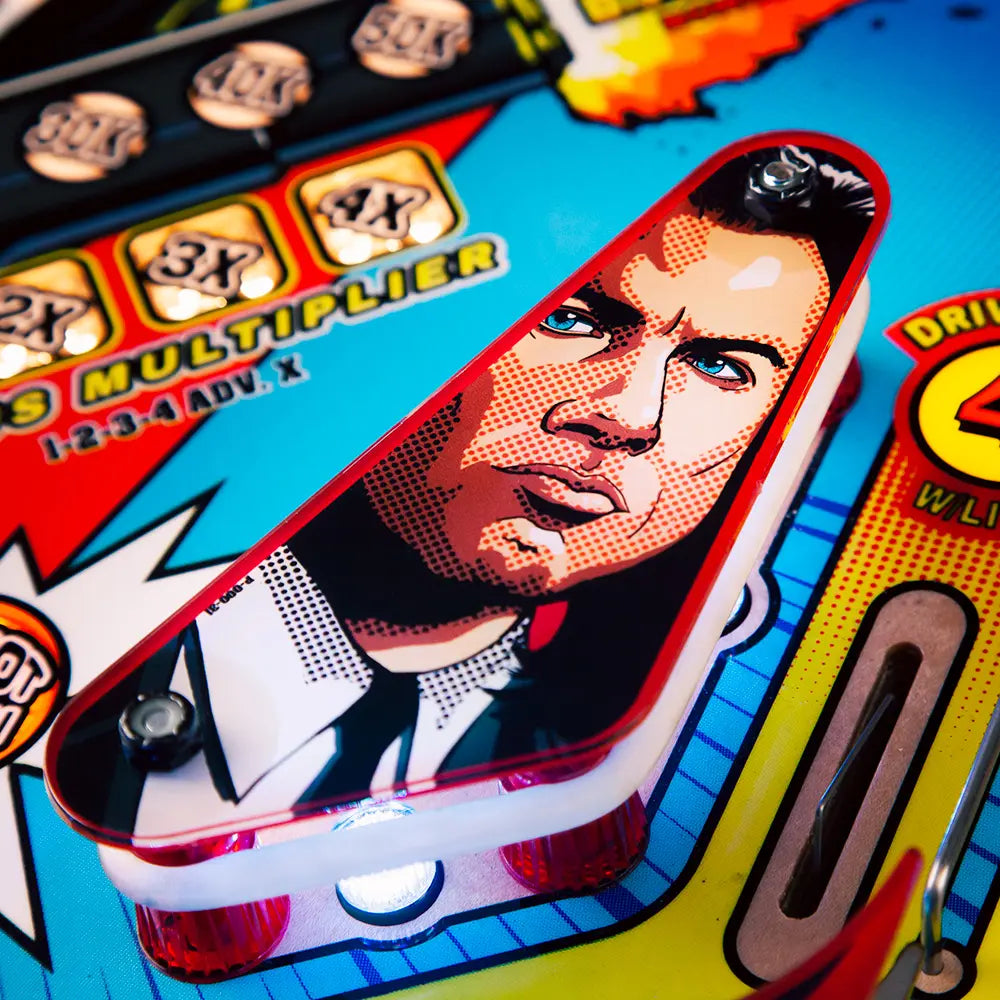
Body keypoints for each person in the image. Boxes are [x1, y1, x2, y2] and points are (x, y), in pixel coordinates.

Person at [63, 145, 877, 837]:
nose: (628, 416)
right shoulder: (114, 645)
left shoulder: (575, 738)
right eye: (572, 319)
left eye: (722, 368)